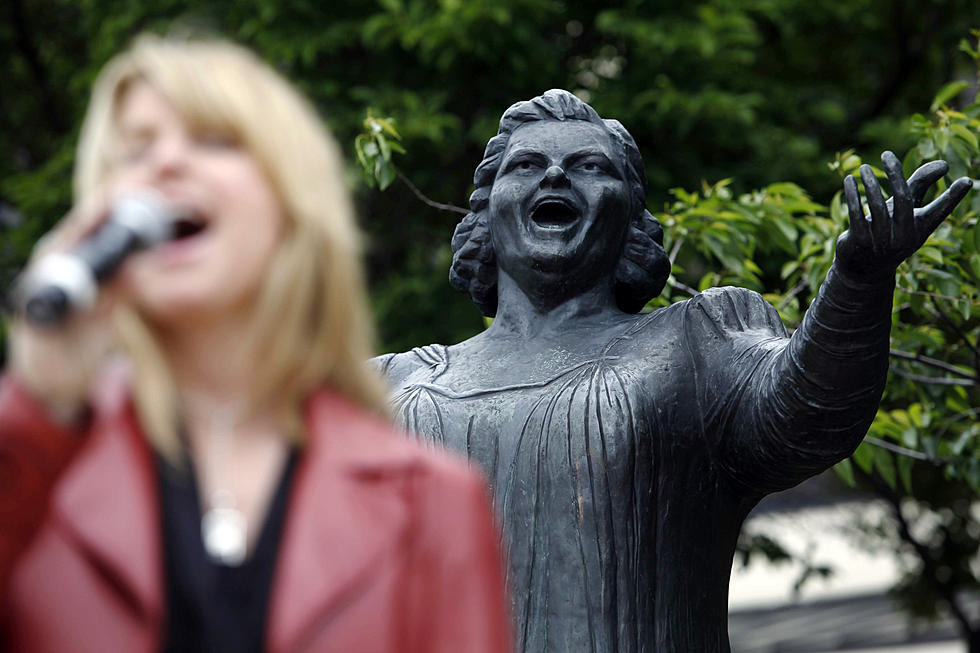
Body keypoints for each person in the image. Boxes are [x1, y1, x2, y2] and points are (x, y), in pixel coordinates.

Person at [377, 89, 973, 653]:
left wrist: (859, 280)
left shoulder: (692, 344)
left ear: (630, 219)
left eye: (589, 168)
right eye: (527, 165)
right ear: (486, 211)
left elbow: (807, 413)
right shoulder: (390, 386)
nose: (555, 177)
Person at [0, 34, 511, 653]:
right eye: (134, 153)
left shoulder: (432, 502)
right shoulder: (33, 469)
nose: (164, 165)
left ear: (292, 206)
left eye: (214, 141)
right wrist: (37, 413)